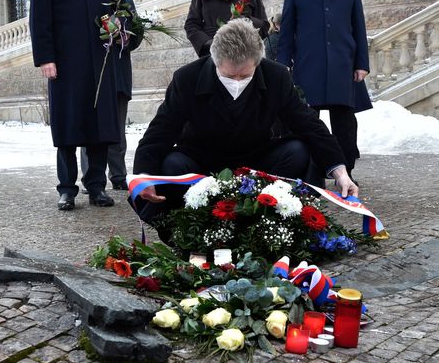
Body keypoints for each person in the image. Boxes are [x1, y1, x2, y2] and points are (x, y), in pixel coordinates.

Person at [132, 18, 358, 243]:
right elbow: (160, 131)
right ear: (215, 60)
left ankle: (272, 220)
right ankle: (190, 229)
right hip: (201, 160)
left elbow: (309, 124)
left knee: (297, 150)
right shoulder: (187, 78)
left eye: (245, 75)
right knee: (172, 164)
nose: (238, 81)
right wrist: (144, 176)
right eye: (230, 76)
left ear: (258, 62)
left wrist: (339, 171)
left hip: (255, 161)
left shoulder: (276, 76)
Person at [29, 0, 119, 210]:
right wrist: (45, 58)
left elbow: (120, 10)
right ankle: (67, 189)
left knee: (100, 127)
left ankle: (97, 187)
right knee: (68, 127)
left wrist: (120, 28)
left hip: (99, 62)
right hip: (65, 63)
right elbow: (40, 17)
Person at [276, 0, 373, 182]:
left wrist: (362, 63)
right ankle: (309, 170)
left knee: (345, 124)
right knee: (306, 120)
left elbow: (358, 27)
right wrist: (282, 63)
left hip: (343, 64)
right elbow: (287, 30)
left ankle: (346, 172)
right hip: (309, 64)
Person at [80, 0, 141, 192]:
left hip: (118, 73)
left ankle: (118, 176)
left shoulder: (125, 0)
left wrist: (124, 38)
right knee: (90, 128)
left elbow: (137, 36)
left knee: (117, 129)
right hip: (92, 74)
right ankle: (90, 179)